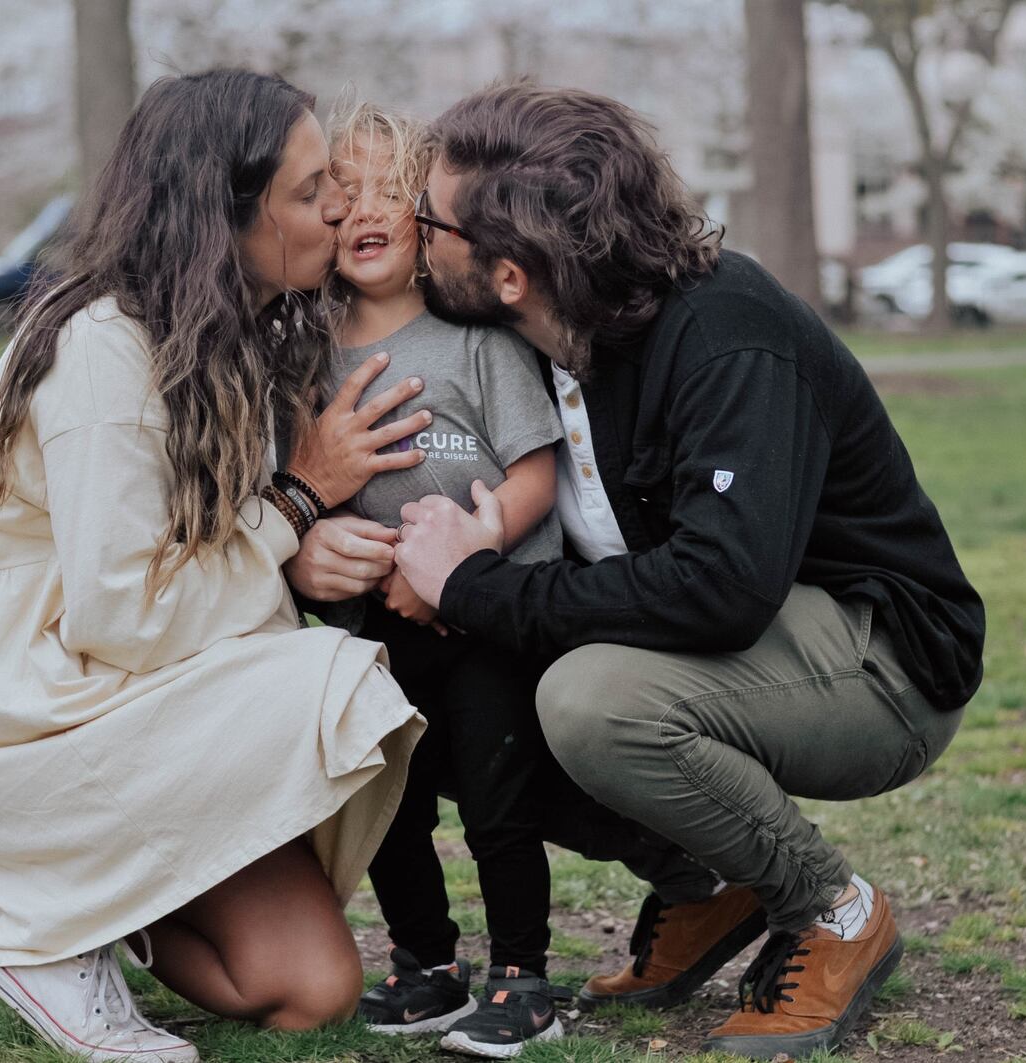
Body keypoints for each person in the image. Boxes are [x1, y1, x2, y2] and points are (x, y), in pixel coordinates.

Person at [388, 82, 987, 1061]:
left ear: (506, 273)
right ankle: (708, 886)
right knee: (453, 706)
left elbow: (719, 587)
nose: (418, 240)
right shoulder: (528, 334)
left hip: (884, 666)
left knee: (590, 702)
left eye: (430, 222)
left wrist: (474, 588)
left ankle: (830, 910)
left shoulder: (724, 334)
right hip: (739, 642)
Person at [0, 70, 432, 1063]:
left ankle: (48, 876)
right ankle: (37, 931)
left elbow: (217, 554)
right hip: (23, 684)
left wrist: (303, 539)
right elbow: (123, 615)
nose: (341, 209)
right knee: (336, 685)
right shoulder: (102, 349)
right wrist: (298, 502)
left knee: (310, 987)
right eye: (312, 192)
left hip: (126, 675)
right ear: (228, 215)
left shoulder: (240, 329)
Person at [317, 101, 565, 1058]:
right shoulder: (306, 359)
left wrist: (471, 546)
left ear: (427, 215)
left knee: (500, 801)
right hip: (375, 627)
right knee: (392, 802)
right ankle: (426, 966)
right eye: (345, 194)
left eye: (392, 189)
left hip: (483, 616)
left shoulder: (476, 340)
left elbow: (537, 469)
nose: (367, 209)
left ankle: (522, 974)